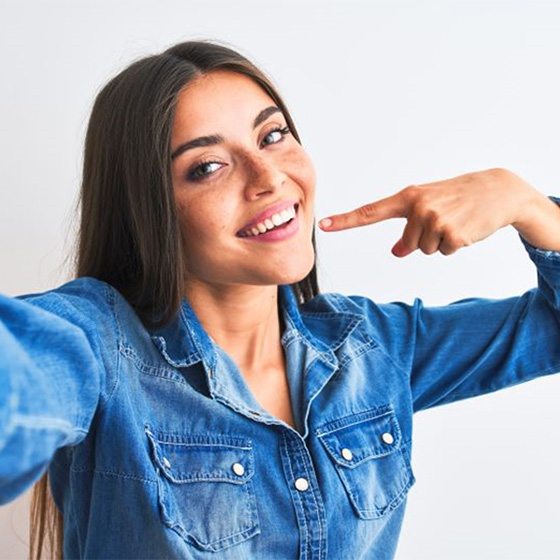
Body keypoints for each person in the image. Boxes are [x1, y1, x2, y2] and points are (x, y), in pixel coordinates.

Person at [1, 39, 559, 560]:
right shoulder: (95, 342)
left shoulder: (370, 347)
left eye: (272, 136)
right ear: (147, 210)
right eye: (208, 167)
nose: (268, 177)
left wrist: (529, 207)